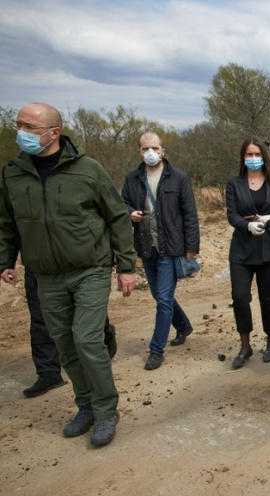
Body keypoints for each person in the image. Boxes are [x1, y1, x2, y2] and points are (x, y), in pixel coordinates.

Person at [0, 103, 136, 447]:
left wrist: (126, 266)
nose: (20, 132)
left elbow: (117, 217)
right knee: (64, 345)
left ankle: (106, 410)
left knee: (86, 339)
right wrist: (6, 260)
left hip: (90, 268)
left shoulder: (87, 170)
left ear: (54, 133)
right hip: (45, 274)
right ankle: (85, 405)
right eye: (18, 125)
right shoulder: (12, 173)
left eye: (29, 127)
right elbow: (7, 222)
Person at [121, 132, 199, 370]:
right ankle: (183, 326)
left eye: (154, 148)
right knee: (159, 295)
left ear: (163, 151)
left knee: (163, 299)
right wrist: (130, 213)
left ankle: (156, 350)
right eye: (145, 148)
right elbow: (122, 203)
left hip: (171, 247)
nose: (150, 152)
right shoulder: (132, 178)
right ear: (139, 151)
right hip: (146, 246)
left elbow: (189, 213)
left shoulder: (178, 177)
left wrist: (191, 247)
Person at [225, 136, 270, 368]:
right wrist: (246, 226)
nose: (253, 158)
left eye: (257, 154)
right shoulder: (234, 183)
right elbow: (232, 214)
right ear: (243, 157)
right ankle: (245, 346)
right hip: (242, 249)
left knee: (269, 298)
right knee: (239, 297)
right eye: (249, 154)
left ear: (264, 156)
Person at [5, 261, 117, 398]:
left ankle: (105, 337)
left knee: (86, 316)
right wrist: (7, 262)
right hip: (39, 266)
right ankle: (48, 371)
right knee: (41, 317)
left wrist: (112, 259)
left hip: (80, 261)